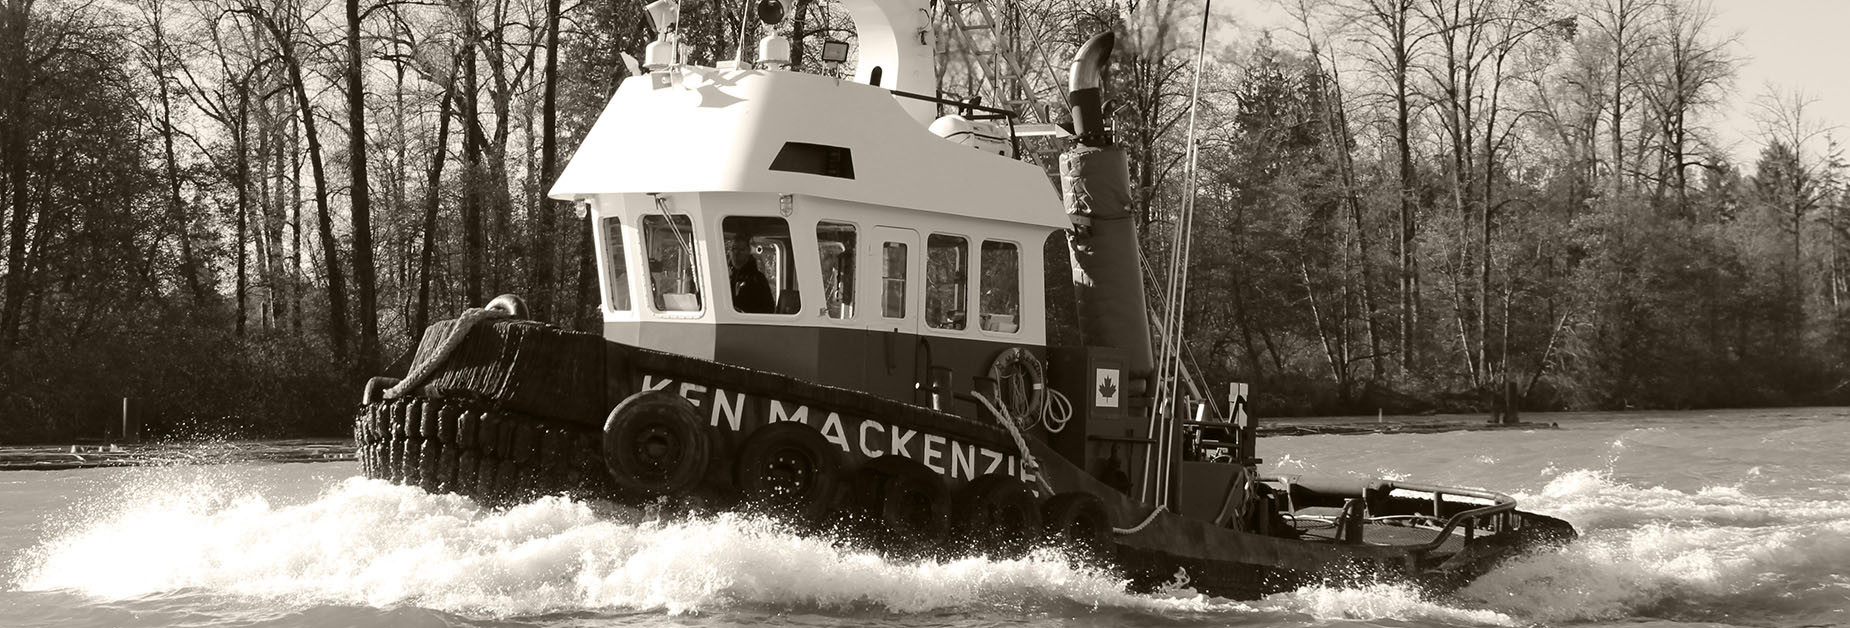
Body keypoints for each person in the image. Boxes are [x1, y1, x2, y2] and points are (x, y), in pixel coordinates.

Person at [730, 237, 774, 313]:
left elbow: (768, 309)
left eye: (741, 250)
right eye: (734, 249)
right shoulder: (726, 275)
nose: (736, 253)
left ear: (748, 252)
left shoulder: (757, 279)